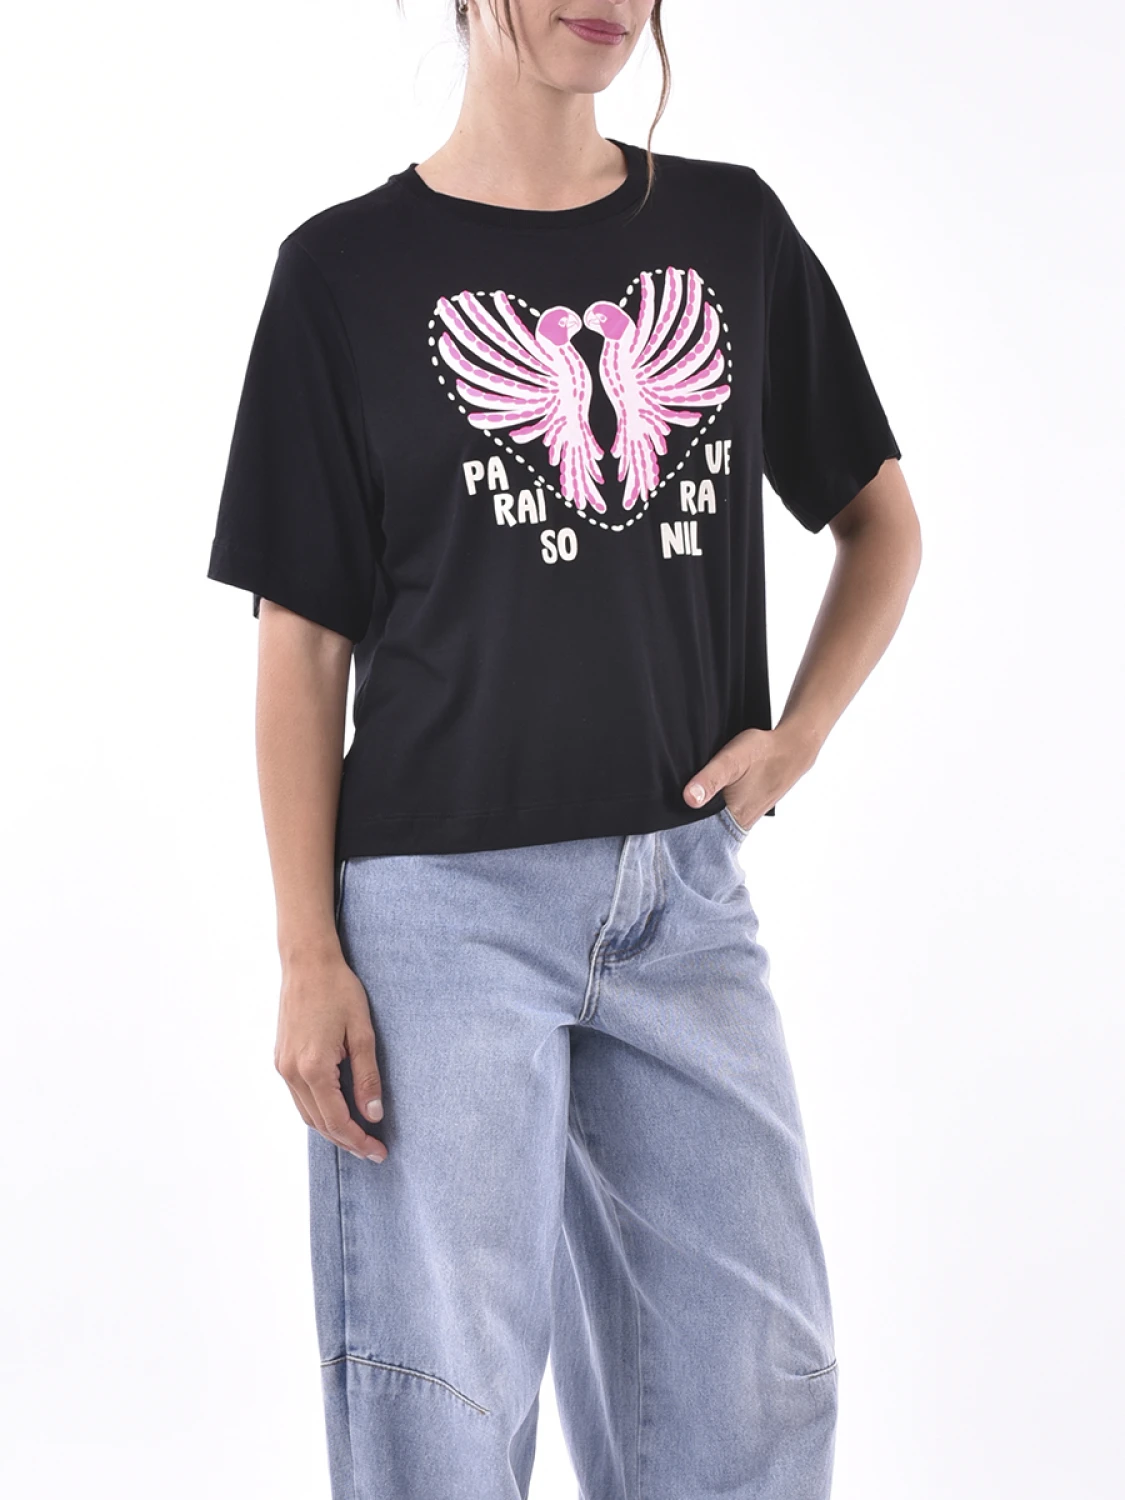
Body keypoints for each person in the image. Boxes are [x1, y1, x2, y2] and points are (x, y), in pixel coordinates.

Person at [205, 2, 921, 1495]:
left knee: (756, 1384)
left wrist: (797, 739)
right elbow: (302, 647)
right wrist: (306, 955)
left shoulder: (731, 233)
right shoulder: (341, 274)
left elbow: (880, 523)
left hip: (684, 903)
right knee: (444, 1408)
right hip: (437, 919)